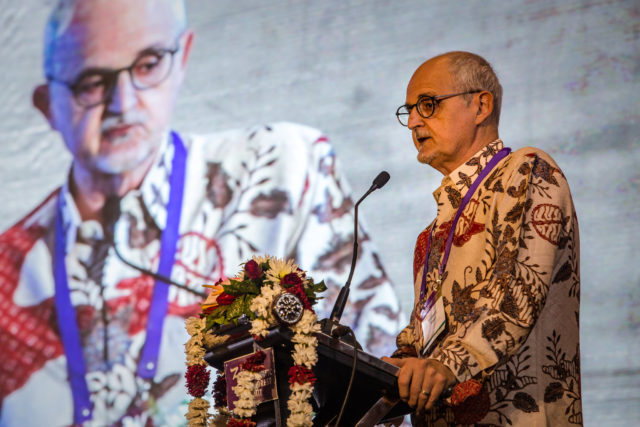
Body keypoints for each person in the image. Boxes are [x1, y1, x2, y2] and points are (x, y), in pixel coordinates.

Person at [0, 0, 402, 425]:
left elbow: (379, 377)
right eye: (90, 81)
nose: (122, 101)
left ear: (183, 58)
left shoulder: (280, 170)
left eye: (148, 64)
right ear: (48, 105)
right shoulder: (10, 273)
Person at [382, 51, 582, 426]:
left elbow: (517, 294)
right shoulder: (431, 237)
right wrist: (391, 369)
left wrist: (445, 364)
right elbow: (422, 337)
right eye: (408, 110)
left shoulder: (527, 171)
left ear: (481, 106)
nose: (412, 122)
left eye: (427, 104)